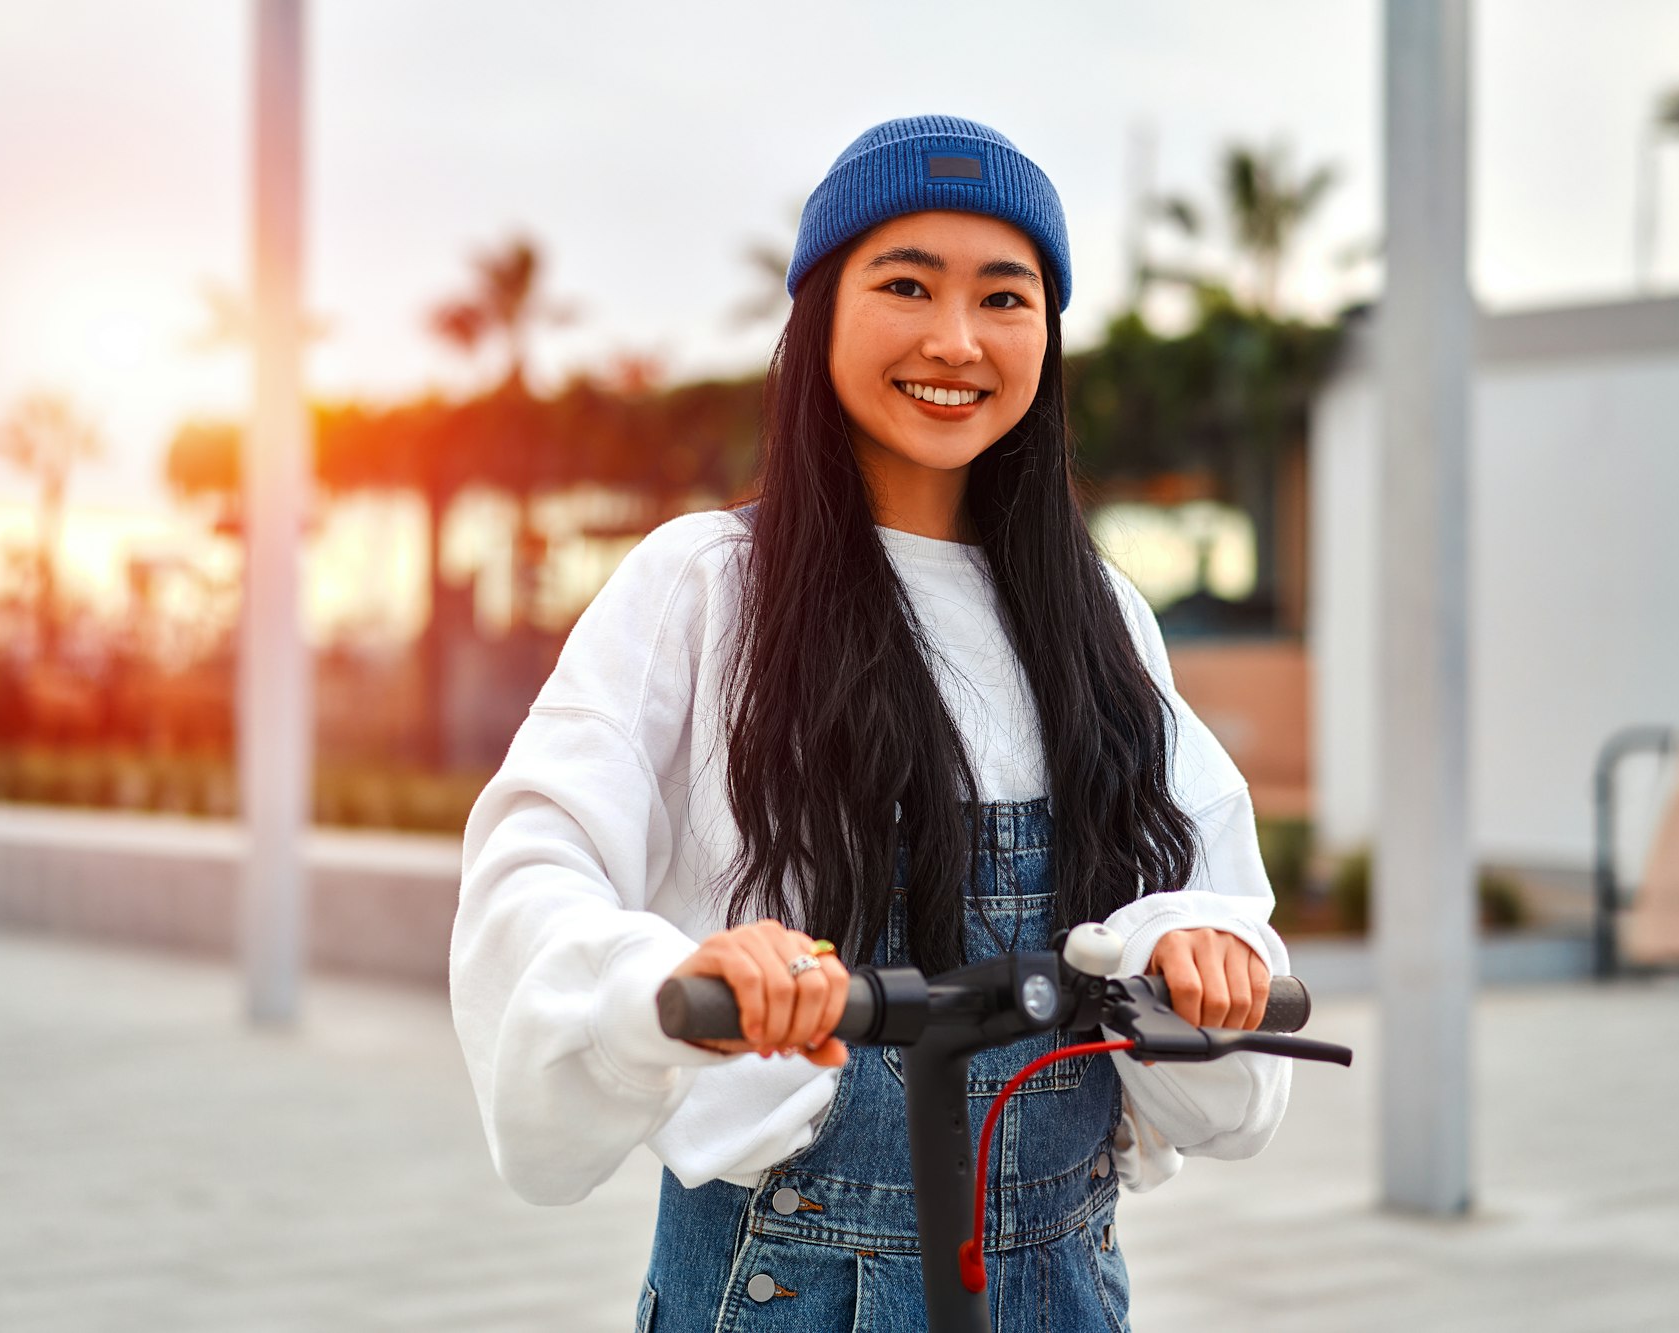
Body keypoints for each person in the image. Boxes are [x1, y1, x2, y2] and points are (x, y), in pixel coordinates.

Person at [451, 114, 1291, 1331]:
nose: (956, 340)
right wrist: (676, 975)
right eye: (906, 284)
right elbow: (532, 864)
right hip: (790, 1282)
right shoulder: (701, 585)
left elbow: (1207, 874)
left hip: (1060, 1283)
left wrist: (1204, 948)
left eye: (1005, 298)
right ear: (820, 313)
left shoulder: (1095, 613)